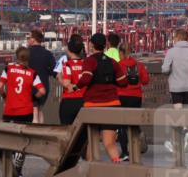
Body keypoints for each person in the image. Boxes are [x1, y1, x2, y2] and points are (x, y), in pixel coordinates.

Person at [77, 33, 128, 162]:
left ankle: (91, 172)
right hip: (112, 104)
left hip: (93, 105)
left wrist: (76, 86)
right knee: (109, 143)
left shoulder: (89, 61)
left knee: (92, 141)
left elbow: (86, 79)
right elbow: (123, 82)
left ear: (92, 45)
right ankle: (118, 168)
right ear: (105, 46)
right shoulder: (112, 62)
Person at [0, 46, 47, 177]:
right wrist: (33, 97)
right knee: (22, 139)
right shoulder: (32, 73)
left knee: (8, 137)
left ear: (16, 56)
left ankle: (8, 168)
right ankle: (18, 170)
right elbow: (42, 91)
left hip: (9, 109)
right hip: (26, 110)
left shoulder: (8, 69)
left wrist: (5, 96)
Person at [162, 29, 188, 154]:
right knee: (186, 112)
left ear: (177, 38)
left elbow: (164, 69)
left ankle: (182, 135)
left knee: (178, 112)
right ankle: (185, 136)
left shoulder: (171, 52)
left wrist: (170, 70)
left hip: (176, 87)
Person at [116, 42, 150, 161]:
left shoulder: (118, 65)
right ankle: (135, 149)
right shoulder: (139, 65)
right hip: (136, 97)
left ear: (121, 52)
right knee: (134, 123)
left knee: (121, 125)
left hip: (121, 96)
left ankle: (125, 152)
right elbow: (146, 81)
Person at [27, 30, 56, 123]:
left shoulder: (27, 53)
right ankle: (41, 131)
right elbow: (53, 70)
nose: (28, 39)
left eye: (29, 38)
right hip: (44, 86)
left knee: (33, 111)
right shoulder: (48, 54)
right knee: (40, 110)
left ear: (33, 40)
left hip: (30, 86)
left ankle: (33, 133)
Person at [58, 36, 87, 125]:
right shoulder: (86, 64)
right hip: (84, 100)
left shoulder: (67, 65)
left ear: (69, 51)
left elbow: (67, 84)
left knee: (67, 129)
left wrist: (59, 77)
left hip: (70, 101)